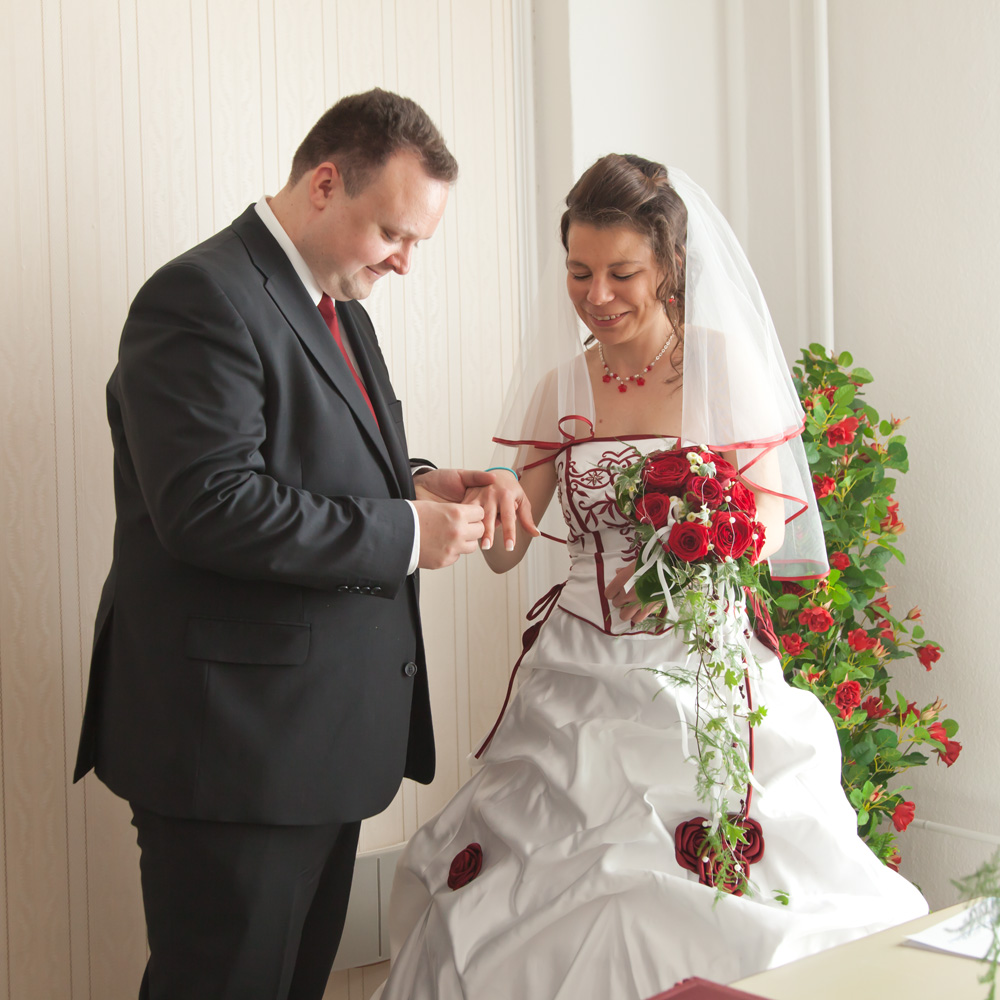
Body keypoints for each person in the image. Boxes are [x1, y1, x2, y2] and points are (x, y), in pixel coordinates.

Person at [371, 154, 928, 999]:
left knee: (709, 877)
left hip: (701, 665)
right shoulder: (561, 385)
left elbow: (774, 514)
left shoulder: (720, 363)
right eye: (579, 271)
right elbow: (510, 549)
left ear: (669, 266)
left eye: (622, 272)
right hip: (576, 673)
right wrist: (481, 507)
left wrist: (705, 545)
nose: (598, 296)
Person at [72, 88, 534, 1000]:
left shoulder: (337, 302)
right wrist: (407, 533)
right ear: (326, 183)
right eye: (394, 234)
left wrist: (418, 480)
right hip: (232, 750)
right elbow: (209, 504)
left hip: (313, 743)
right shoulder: (198, 296)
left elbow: (317, 461)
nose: (405, 263)